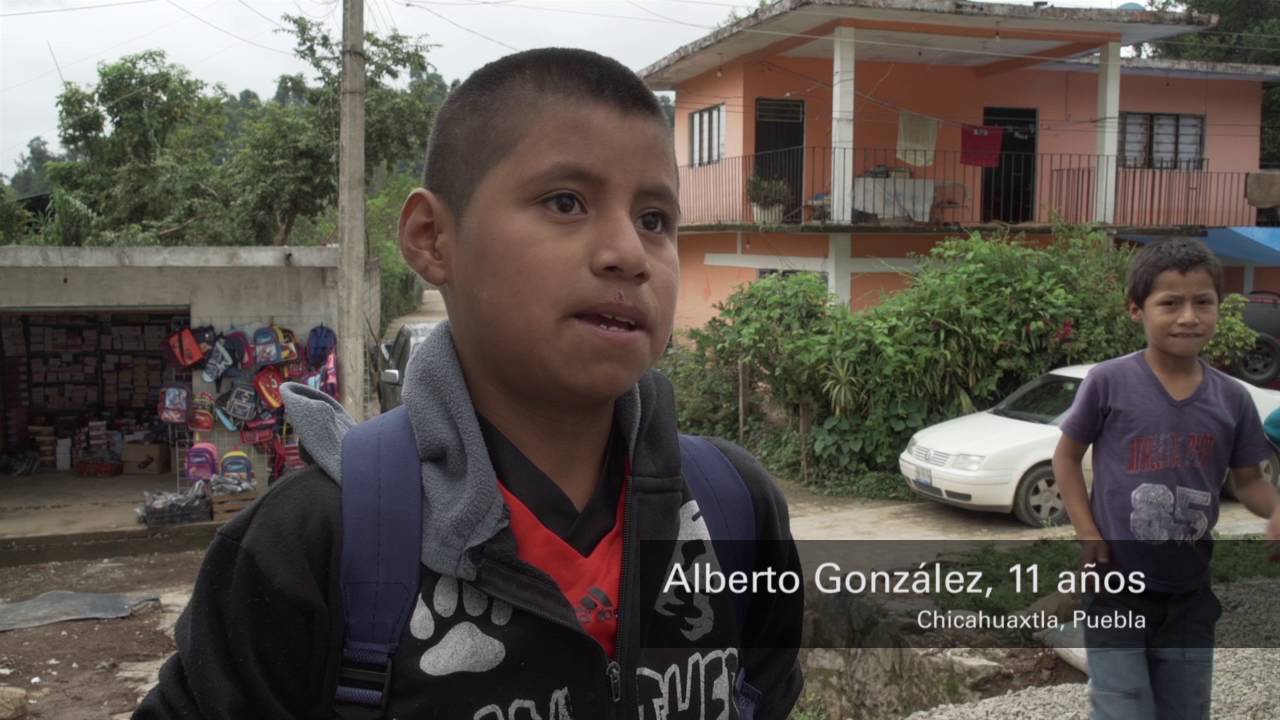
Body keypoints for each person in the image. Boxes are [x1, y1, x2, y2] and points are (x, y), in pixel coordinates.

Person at [135, 48, 804, 718]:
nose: (628, 253)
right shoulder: (312, 544)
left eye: (654, 219)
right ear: (432, 239)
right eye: (566, 202)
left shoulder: (734, 510)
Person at [1053, 237, 1280, 720]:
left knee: (1185, 710)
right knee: (1123, 710)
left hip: (1190, 596)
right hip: (1116, 582)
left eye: (1203, 302)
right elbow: (1067, 458)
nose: (1188, 316)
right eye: (1170, 303)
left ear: (1219, 308)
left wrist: (1277, 508)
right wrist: (1086, 531)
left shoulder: (1233, 399)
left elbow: (1248, 481)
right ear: (1137, 310)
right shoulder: (1109, 382)